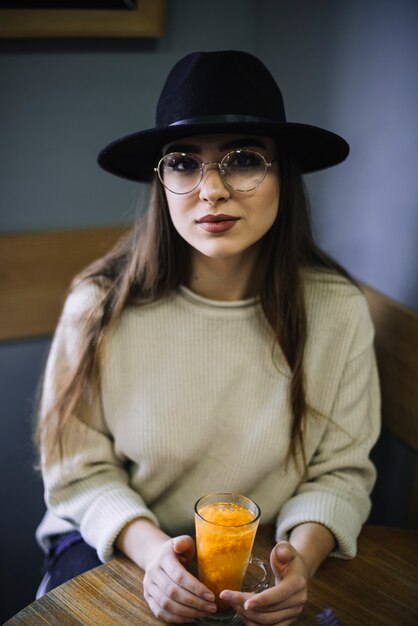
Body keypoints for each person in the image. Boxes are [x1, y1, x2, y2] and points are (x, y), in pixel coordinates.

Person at [35, 50, 380, 625]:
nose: (211, 190)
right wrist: (155, 558)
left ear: (284, 173)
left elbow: (340, 471)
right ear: (161, 179)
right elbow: (77, 473)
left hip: (263, 551)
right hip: (114, 543)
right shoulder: (98, 307)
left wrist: (301, 562)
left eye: (243, 160)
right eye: (183, 163)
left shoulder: (336, 310)